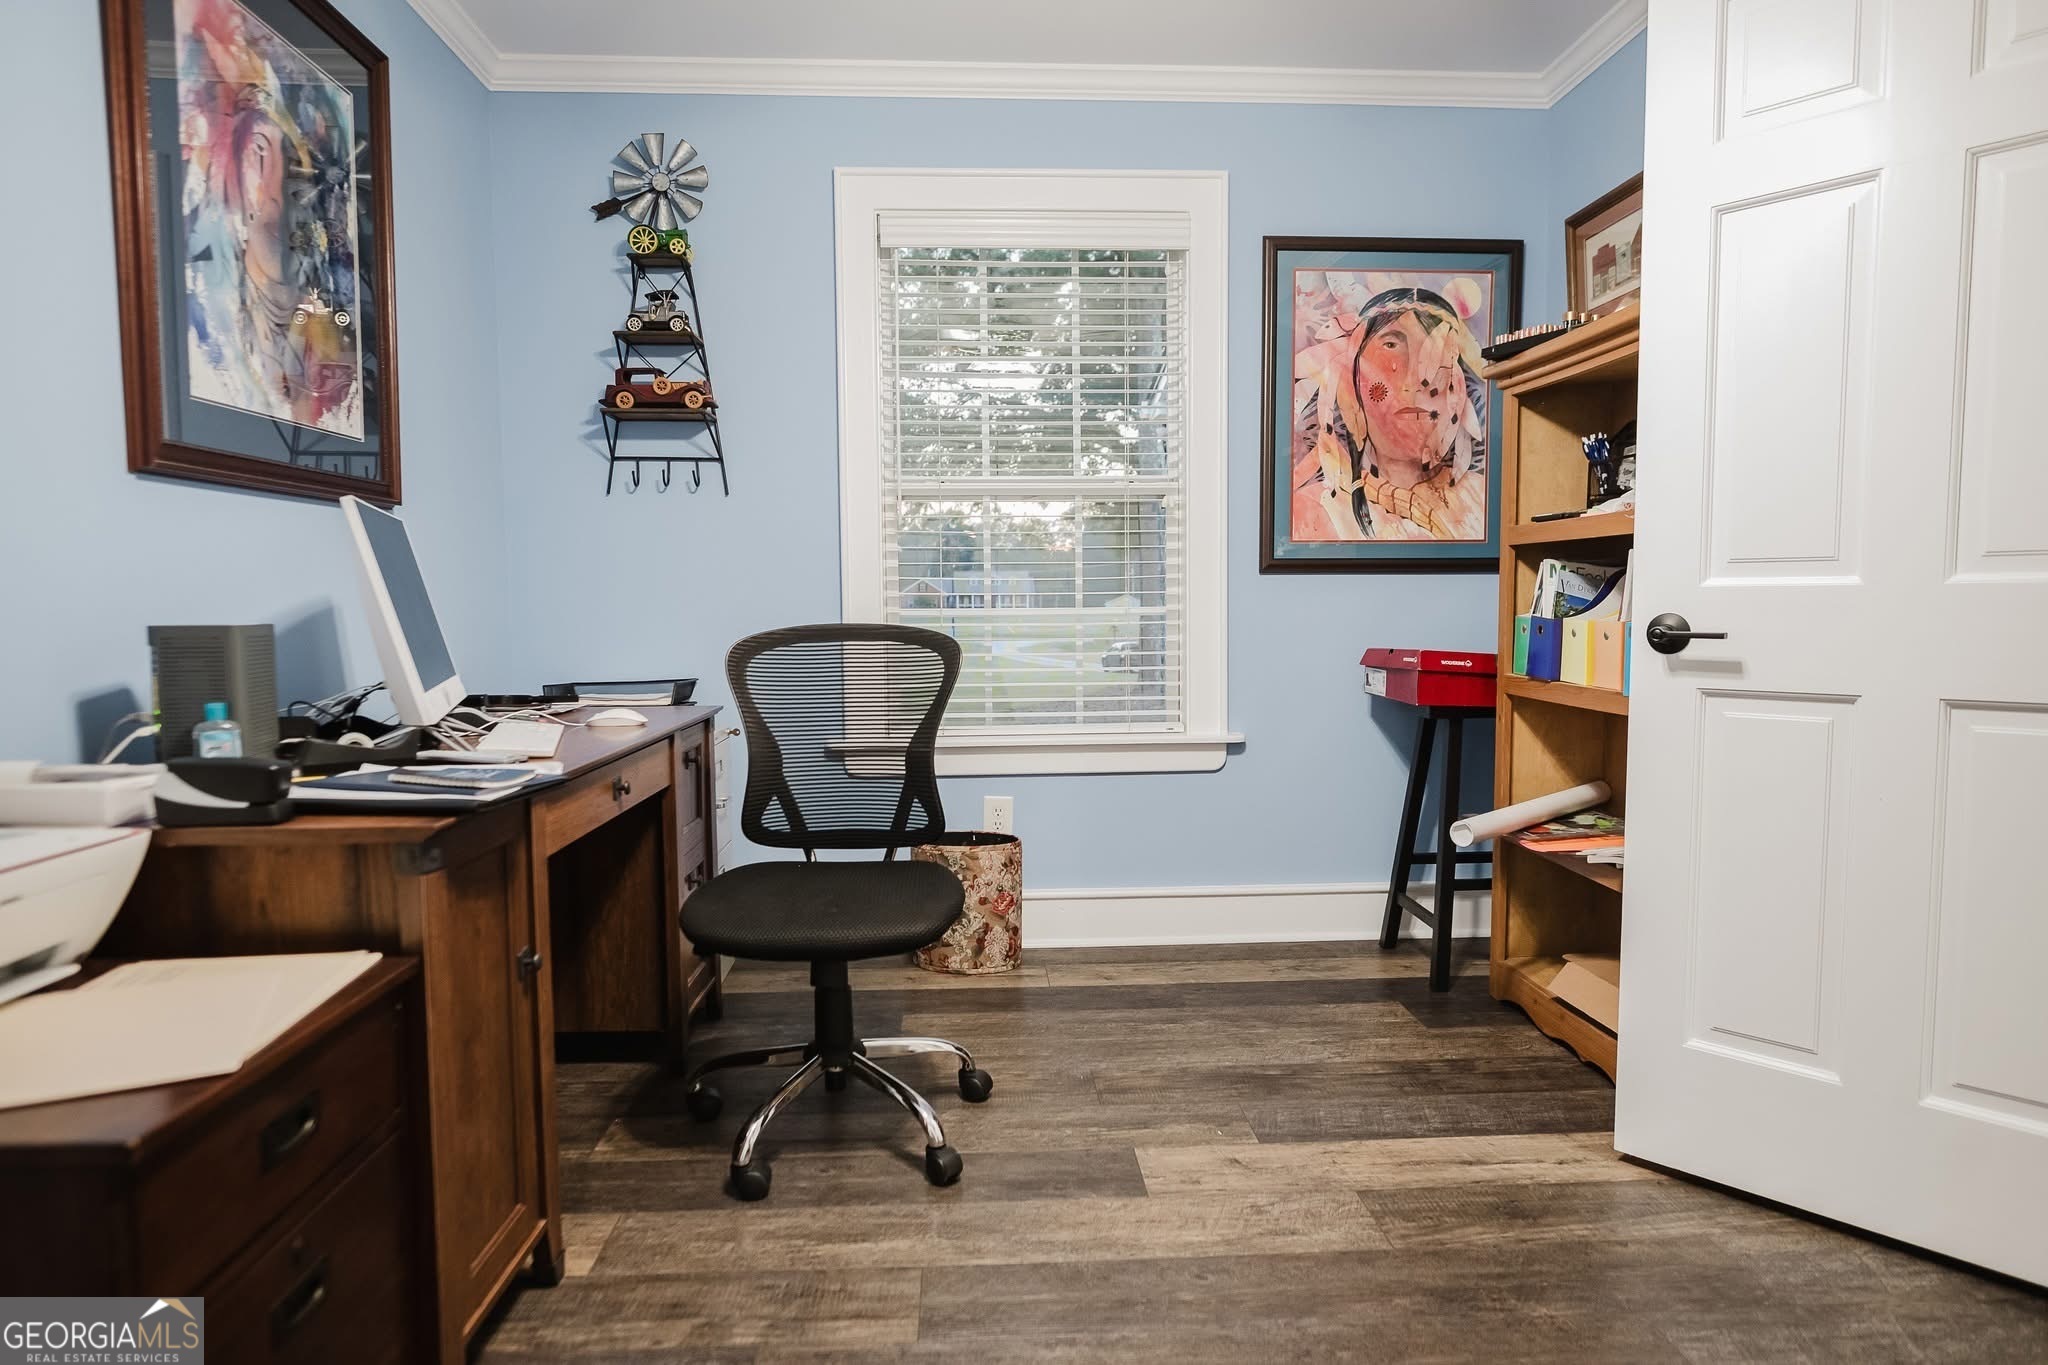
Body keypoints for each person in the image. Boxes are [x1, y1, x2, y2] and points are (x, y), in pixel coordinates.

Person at [1292, 282, 1488, 542]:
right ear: (1352, 385)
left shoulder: (1483, 497)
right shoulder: (1316, 510)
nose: (1416, 377)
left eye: (1435, 351)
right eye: (1392, 345)